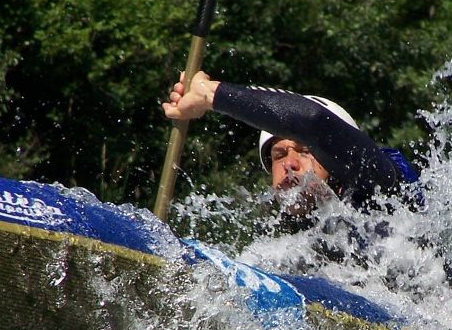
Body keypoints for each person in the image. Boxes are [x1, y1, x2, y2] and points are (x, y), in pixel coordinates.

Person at [162, 71, 421, 220]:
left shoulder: (381, 184)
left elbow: (313, 121)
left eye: (305, 151)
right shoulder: (288, 244)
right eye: (279, 155)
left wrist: (210, 94)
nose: (289, 164)